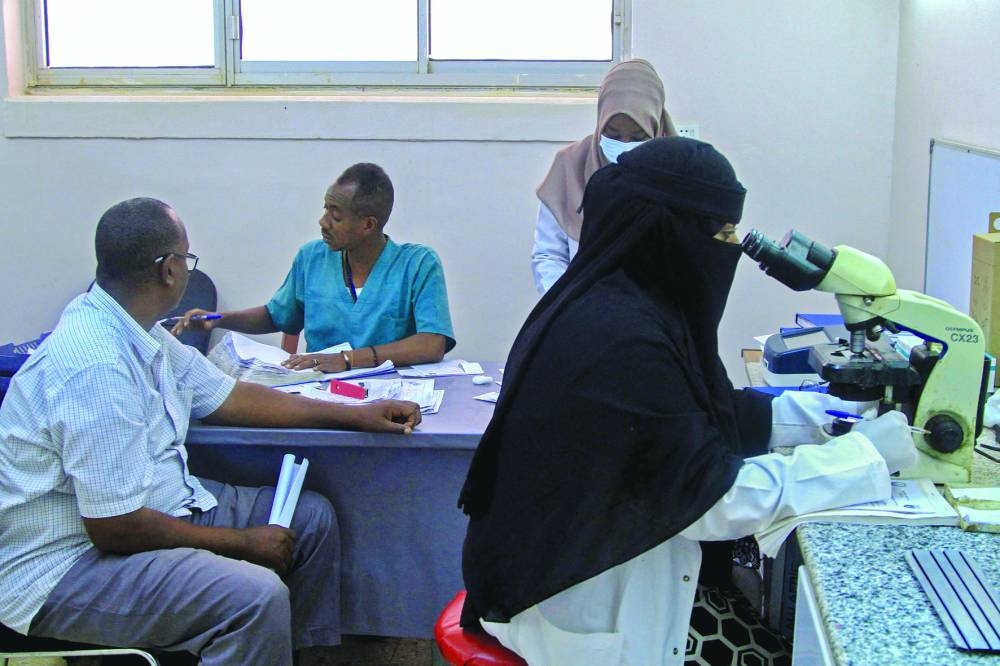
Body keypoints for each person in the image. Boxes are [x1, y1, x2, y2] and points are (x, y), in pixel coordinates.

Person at [458, 137, 918, 665]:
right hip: (578, 604)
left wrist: (832, 417)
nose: (730, 250)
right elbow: (713, 500)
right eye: (721, 234)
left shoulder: (626, 305)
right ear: (666, 235)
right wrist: (863, 459)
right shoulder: (618, 339)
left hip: (605, 562)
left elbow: (705, 413)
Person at [0, 198, 422, 665]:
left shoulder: (139, 331)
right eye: (186, 258)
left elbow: (229, 396)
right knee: (253, 598)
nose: (187, 268)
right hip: (65, 564)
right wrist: (244, 544)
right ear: (168, 269)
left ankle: (296, 657)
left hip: (158, 505)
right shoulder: (95, 365)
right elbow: (116, 527)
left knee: (310, 520)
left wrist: (354, 413)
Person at [173, 162, 455, 373]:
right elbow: (277, 316)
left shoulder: (417, 264)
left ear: (368, 225)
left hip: (394, 393)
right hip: (319, 390)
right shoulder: (312, 258)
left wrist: (347, 360)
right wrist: (219, 318)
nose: (323, 222)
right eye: (325, 209)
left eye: (336, 216)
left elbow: (432, 344)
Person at [531, 58, 677, 294]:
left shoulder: (679, 175)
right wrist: (565, 302)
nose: (624, 145)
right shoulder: (569, 167)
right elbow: (549, 255)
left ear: (656, 128)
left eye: (638, 136)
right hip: (580, 305)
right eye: (613, 134)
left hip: (656, 308)